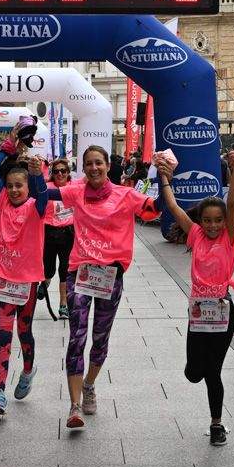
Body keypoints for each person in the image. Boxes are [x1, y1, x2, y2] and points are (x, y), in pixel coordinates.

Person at [51, 145, 155, 430]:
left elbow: (154, 210)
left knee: (100, 338)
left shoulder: (125, 195)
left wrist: (168, 178)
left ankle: (89, 384)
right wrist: (35, 175)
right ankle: (74, 406)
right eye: (89, 164)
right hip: (79, 274)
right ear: (83, 168)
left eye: (99, 163)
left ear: (108, 165)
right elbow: (40, 195)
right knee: (77, 336)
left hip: (111, 275)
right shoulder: (75, 192)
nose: (94, 168)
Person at [157, 161, 234, 446]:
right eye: (208, 220)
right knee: (194, 373)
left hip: (223, 310)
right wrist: (165, 178)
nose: (214, 225)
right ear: (201, 222)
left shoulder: (230, 236)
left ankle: (216, 423)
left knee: (213, 372)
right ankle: (199, 369)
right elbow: (175, 208)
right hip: (199, 312)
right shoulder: (195, 235)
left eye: (219, 220)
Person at [0, 138, 53, 417]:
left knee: (24, 332)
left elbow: (42, 193)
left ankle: (28, 369)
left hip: (29, 281)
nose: (13, 190)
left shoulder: (36, 206)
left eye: (18, 185)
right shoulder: (2, 202)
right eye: (9, 186)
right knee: (3, 337)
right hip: (6, 281)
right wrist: (9, 146)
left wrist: (36, 173)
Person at [41, 158, 77, 318]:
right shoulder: (46, 188)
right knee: (49, 270)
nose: (60, 174)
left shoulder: (75, 187)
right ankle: (45, 282)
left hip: (68, 233)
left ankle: (63, 304)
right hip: (49, 232)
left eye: (63, 171)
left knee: (65, 269)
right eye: (56, 171)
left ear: (68, 173)